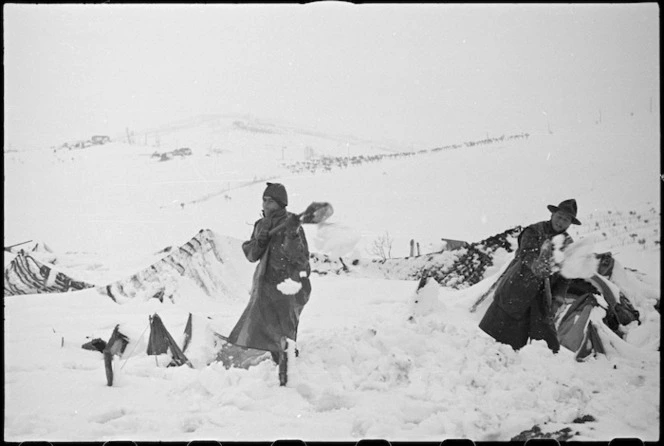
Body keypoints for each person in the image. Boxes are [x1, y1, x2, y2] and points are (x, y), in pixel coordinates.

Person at [227, 182, 311, 384]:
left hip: (287, 285)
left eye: (270, 201)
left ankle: (287, 374)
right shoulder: (261, 225)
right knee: (259, 324)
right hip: (265, 284)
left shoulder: (292, 225)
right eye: (264, 200)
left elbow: (297, 257)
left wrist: (291, 234)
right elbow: (252, 255)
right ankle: (279, 362)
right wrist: (260, 240)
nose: (265, 204)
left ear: (281, 204)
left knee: (284, 328)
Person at [479, 199, 582, 353]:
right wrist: (536, 264)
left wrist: (558, 299)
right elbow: (526, 253)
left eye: (566, 219)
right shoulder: (534, 230)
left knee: (543, 346)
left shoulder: (568, 244)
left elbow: (566, 276)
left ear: (570, 223)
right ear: (553, 214)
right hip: (517, 288)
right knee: (495, 336)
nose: (561, 222)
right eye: (559, 216)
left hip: (541, 298)